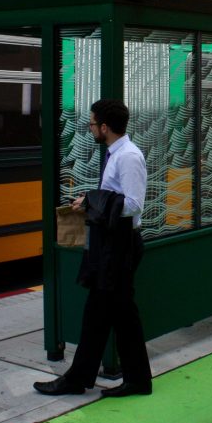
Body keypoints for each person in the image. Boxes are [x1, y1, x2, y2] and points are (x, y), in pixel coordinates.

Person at [34, 99, 152, 398]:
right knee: (106, 314)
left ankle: (101, 379)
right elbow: (113, 199)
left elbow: (134, 205)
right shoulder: (115, 154)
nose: (90, 129)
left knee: (114, 314)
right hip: (111, 244)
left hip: (120, 245)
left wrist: (92, 201)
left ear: (105, 127)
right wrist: (90, 201)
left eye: (92, 124)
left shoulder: (128, 157)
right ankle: (95, 378)